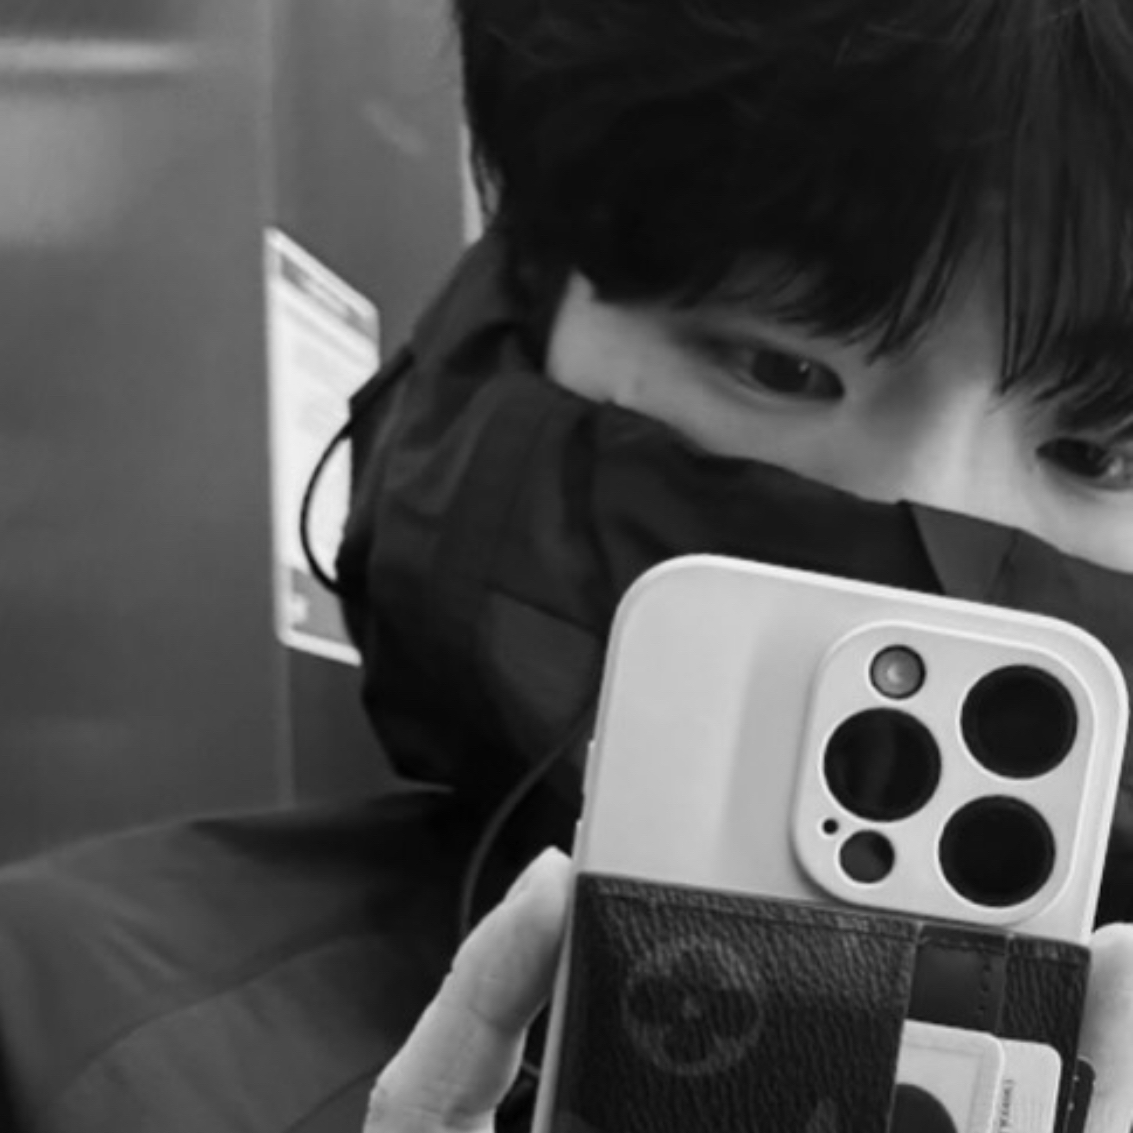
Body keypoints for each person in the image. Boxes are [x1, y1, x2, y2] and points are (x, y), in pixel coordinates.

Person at [2, 0, 1133, 1130]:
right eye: (778, 367)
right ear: (516, 314)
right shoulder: (73, 1036)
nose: (928, 536)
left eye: (1101, 453)